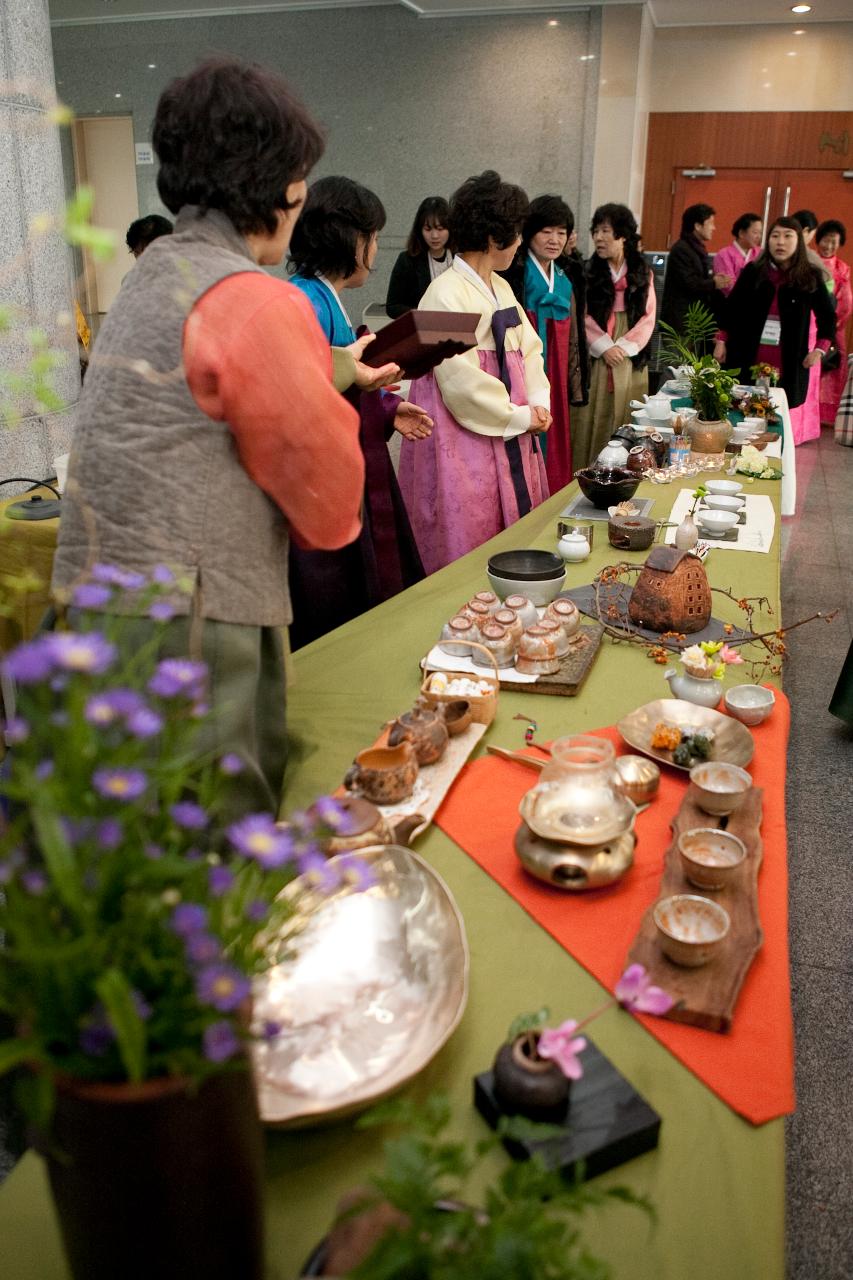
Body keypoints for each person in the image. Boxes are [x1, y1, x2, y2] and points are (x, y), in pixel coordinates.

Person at [51, 57, 365, 818]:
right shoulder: (255, 298)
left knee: (112, 837)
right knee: (206, 846)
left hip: (90, 609)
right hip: (192, 628)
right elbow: (329, 505)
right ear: (282, 185)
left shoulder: (152, 271)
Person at [288, 176, 430, 648]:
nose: (374, 250)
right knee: (332, 597)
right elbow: (303, 391)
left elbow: (342, 377)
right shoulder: (305, 300)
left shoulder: (316, 294)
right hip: (317, 482)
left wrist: (387, 408)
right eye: (372, 238)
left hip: (334, 470)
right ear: (353, 240)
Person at [398, 170, 551, 575]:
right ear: (492, 236)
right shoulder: (442, 293)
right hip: (462, 430)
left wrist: (538, 400)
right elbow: (457, 379)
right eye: (515, 232)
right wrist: (518, 416)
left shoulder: (501, 287)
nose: (520, 243)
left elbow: (531, 349)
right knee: (465, 526)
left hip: (507, 424)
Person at [501, 194, 588, 492]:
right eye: (546, 231)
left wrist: (576, 382)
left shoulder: (566, 277)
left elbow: (576, 336)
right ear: (529, 233)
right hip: (526, 369)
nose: (554, 239)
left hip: (557, 372)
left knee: (557, 429)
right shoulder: (516, 273)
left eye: (561, 232)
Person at [715, 216, 836, 419]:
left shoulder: (809, 276)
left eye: (788, 236)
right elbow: (731, 309)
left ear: (798, 241)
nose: (780, 242)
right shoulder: (753, 272)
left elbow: (827, 316)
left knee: (776, 412)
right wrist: (721, 341)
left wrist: (819, 350)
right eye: (775, 236)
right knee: (742, 408)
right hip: (748, 351)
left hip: (788, 357)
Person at [571, 202, 655, 471]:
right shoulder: (586, 271)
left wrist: (625, 346)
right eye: (595, 231)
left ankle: (624, 473)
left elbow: (648, 316)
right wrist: (604, 345)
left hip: (630, 352)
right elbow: (580, 314)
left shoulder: (642, 271)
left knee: (626, 411)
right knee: (593, 412)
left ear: (623, 235)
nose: (598, 237)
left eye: (606, 231)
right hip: (597, 351)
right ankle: (586, 472)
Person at [660, 203, 731, 334]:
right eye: (710, 223)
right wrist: (714, 283)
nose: (713, 228)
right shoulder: (681, 249)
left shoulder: (696, 249)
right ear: (697, 226)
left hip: (693, 321)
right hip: (680, 324)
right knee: (679, 355)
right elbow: (689, 282)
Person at [385, 197, 453, 318]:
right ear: (419, 230)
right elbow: (392, 307)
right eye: (428, 229)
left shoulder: (460, 257)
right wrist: (422, 314)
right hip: (422, 330)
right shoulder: (407, 260)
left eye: (440, 229)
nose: (434, 236)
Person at [815, 219, 851, 427]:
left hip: (834, 325)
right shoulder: (810, 263)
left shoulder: (842, 268)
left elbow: (846, 299)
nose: (829, 246)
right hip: (813, 324)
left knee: (834, 366)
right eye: (825, 241)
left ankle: (828, 415)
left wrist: (834, 321)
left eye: (834, 242)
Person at [713, 213, 763, 295]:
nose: (758, 236)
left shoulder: (761, 253)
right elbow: (727, 285)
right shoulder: (724, 254)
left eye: (760, 233)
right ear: (741, 233)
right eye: (755, 232)